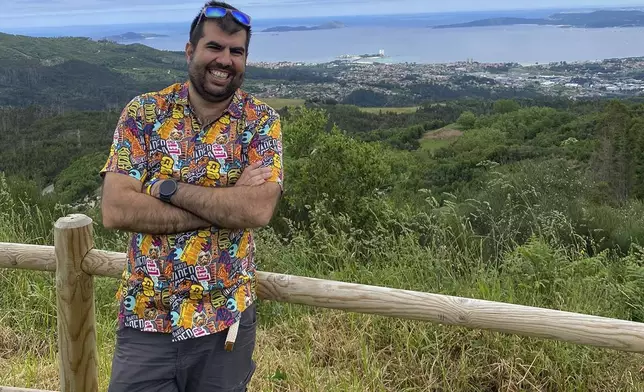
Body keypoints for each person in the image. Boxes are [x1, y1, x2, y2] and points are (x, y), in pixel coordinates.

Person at [99, 1, 283, 391]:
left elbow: (258, 208)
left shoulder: (262, 121)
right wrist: (227, 203)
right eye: (214, 47)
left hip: (224, 323)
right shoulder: (144, 114)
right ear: (190, 51)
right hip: (147, 317)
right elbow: (116, 209)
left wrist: (165, 190)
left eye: (237, 52)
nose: (225, 60)